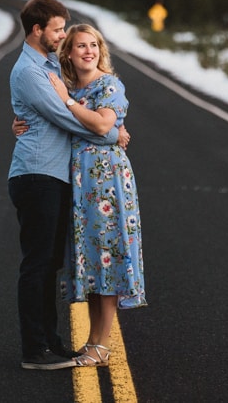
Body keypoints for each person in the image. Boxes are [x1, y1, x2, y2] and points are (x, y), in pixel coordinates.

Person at [7, 0, 128, 372]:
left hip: (53, 175)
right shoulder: (30, 72)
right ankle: (35, 349)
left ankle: (51, 341)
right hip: (37, 174)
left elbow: (63, 106)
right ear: (36, 30)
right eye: (58, 29)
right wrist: (112, 132)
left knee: (49, 264)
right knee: (38, 264)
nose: (62, 35)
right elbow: (66, 118)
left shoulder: (47, 66)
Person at [50, 22, 146, 368]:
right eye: (80, 46)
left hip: (107, 182)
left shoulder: (109, 85)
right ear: (70, 54)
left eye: (93, 45)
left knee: (108, 259)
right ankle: (93, 342)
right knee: (92, 263)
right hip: (80, 184)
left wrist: (69, 105)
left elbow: (104, 125)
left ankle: (102, 346)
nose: (88, 51)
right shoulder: (71, 89)